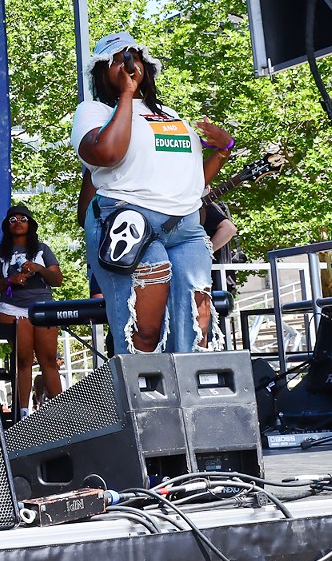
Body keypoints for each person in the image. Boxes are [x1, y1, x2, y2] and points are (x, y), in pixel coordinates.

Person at [72, 31, 232, 355]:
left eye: (134, 57)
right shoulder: (94, 111)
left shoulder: (170, 114)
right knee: (143, 331)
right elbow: (105, 154)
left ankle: (192, 401)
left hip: (185, 227)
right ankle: (145, 403)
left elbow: (188, 180)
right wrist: (127, 95)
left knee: (197, 328)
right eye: (117, 59)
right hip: (130, 220)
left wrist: (224, 150)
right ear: (102, 71)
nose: (128, 63)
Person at [0, 205, 63, 418]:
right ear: (7, 226)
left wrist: (39, 269)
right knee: (23, 361)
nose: (18, 222)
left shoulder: (42, 249)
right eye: (13, 220)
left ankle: (61, 412)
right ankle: (23, 413)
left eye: (23, 218)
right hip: (13, 308)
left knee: (48, 360)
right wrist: (10, 280)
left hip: (43, 308)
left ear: (30, 224)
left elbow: (57, 280)